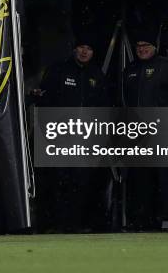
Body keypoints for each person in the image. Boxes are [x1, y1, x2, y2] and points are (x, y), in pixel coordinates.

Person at [33, 34, 112, 232]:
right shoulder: (58, 70)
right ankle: (57, 224)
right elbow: (43, 104)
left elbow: (104, 108)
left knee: (83, 183)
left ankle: (78, 224)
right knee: (59, 182)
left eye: (89, 49)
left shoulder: (97, 74)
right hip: (60, 138)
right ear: (75, 49)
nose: (85, 52)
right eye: (82, 47)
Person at [122, 28, 168, 231]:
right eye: (139, 46)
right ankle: (143, 220)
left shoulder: (166, 66)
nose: (142, 49)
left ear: (155, 47)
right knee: (140, 178)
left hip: (162, 132)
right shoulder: (130, 69)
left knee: (166, 177)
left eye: (146, 46)